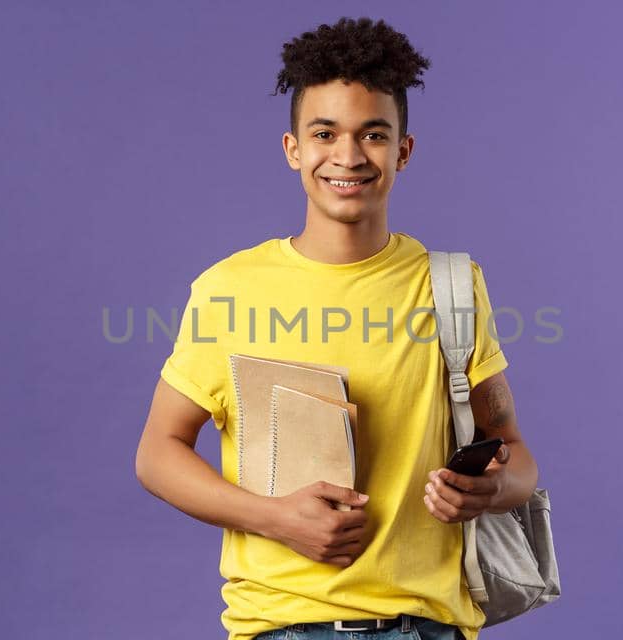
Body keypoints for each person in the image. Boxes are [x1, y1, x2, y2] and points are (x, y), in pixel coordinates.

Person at [134, 17, 539, 640]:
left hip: (427, 626)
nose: (347, 156)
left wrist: (488, 490)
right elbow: (157, 453)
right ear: (294, 148)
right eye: (325, 133)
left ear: (403, 150)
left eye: (373, 135)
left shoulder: (452, 287)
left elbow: (518, 459)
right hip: (282, 625)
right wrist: (274, 518)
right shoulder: (229, 289)